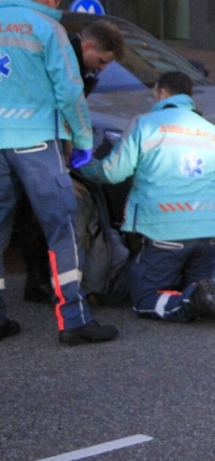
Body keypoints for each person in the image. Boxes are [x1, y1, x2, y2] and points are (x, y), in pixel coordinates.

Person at [79, 71, 215, 329]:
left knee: (145, 298)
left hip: (165, 233)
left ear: (162, 92)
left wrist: (82, 164)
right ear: (189, 96)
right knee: (199, 283)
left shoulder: (145, 125)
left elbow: (113, 173)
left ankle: (194, 302)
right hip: (211, 232)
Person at [0, 0, 118, 345]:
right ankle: (74, 319)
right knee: (62, 227)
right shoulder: (48, 29)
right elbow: (69, 94)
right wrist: (82, 143)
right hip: (35, 139)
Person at [22, 19, 125, 303]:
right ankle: (41, 284)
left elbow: (65, 118)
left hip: (40, 140)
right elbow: (56, 111)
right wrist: (62, 172)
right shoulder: (62, 59)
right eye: (102, 61)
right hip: (29, 141)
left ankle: (44, 281)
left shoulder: (80, 66)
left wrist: (68, 161)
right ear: (88, 45)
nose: (102, 68)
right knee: (36, 213)